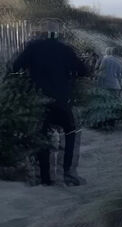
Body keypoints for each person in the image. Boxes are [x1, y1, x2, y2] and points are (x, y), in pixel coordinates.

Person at [12, 21, 89, 186]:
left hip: (38, 100)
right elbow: (83, 71)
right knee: (70, 134)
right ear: (58, 33)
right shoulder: (65, 49)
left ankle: (45, 177)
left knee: (41, 137)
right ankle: (68, 172)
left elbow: (14, 67)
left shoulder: (32, 47)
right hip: (61, 100)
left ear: (41, 32)